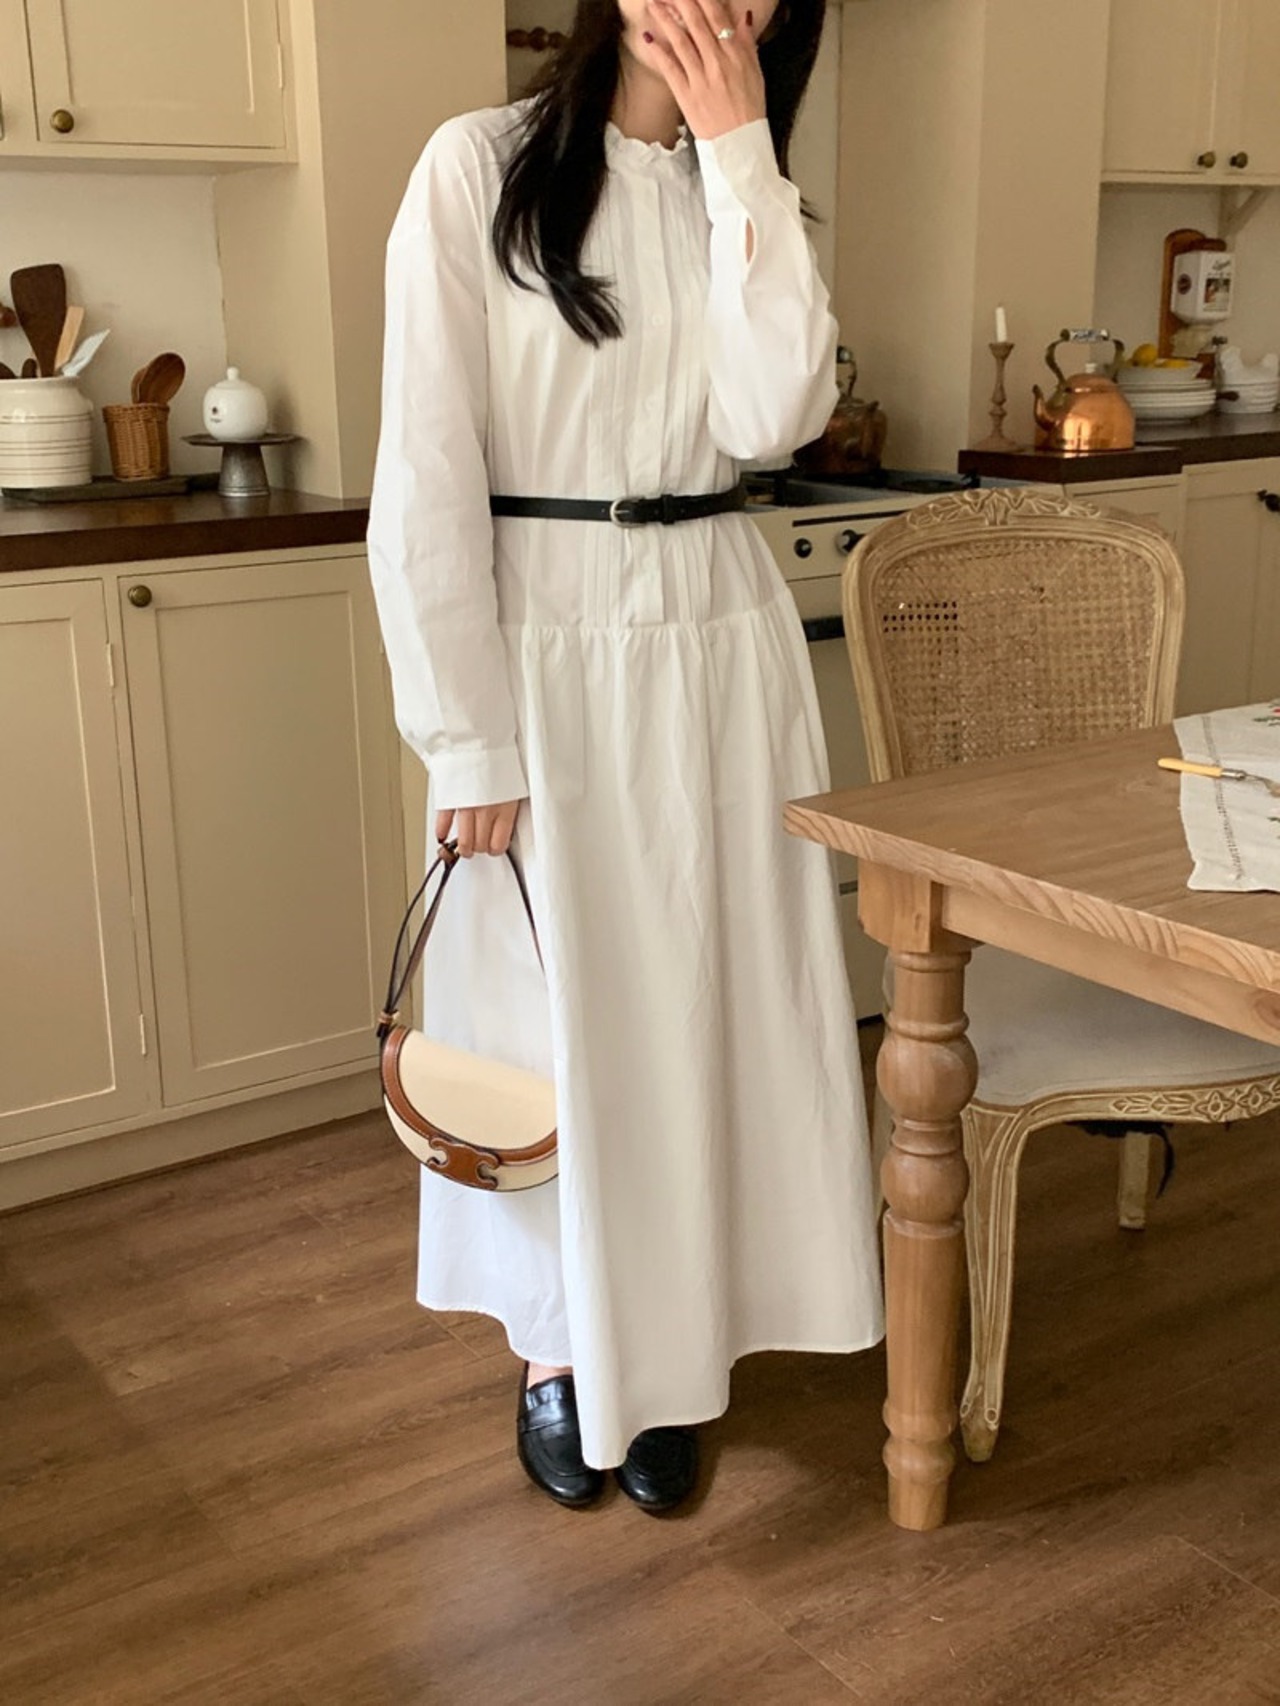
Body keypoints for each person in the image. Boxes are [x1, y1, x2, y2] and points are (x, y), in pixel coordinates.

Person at [366, 0, 883, 1515]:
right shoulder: (480, 167)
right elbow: (424, 470)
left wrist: (742, 159)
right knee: (550, 1019)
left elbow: (774, 415)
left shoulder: (748, 189)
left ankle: (677, 1350)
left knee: (708, 1006)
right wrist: (466, 734)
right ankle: (560, 1347)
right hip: (541, 647)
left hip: (718, 639)